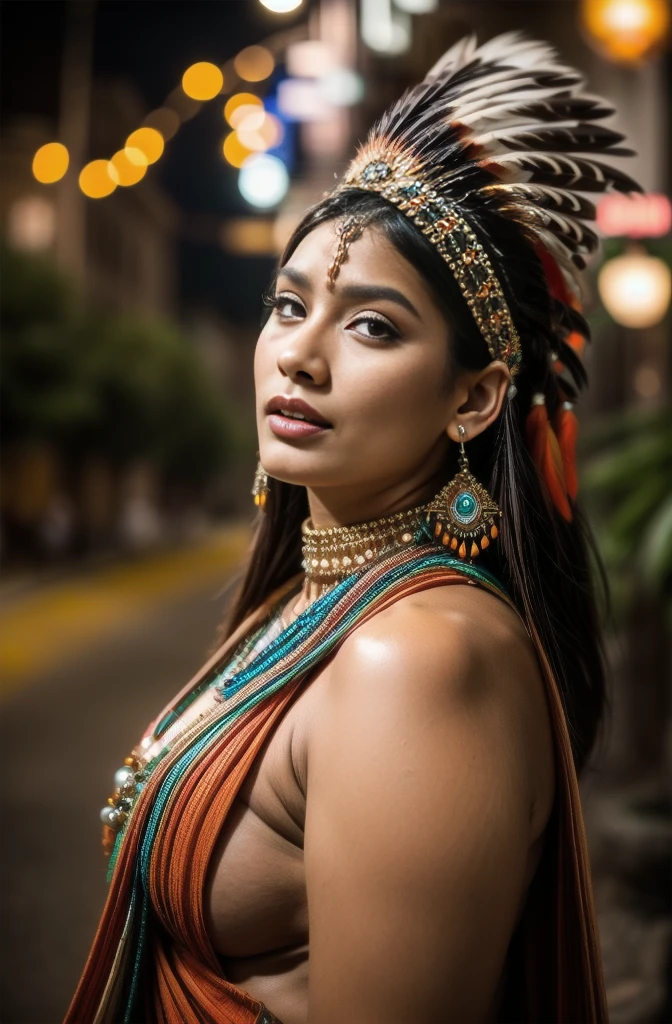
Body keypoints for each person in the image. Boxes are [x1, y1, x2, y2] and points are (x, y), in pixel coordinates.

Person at [66, 32, 640, 1024]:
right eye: (288, 305)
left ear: (475, 399)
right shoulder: (312, 599)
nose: (301, 356)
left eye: (373, 325)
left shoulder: (419, 659)